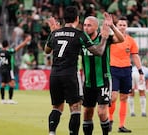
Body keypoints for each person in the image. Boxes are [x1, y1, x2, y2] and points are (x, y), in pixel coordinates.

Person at [44, 6, 110, 135]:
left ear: (64, 18)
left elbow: (46, 50)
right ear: (77, 19)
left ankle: (52, 133)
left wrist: (52, 32)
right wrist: (105, 38)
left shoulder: (55, 33)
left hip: (54, 75)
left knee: (56, 107)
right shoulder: (79, 34)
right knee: (75, 108)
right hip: (70, 75)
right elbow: (99, 52)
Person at [82, 16, 124, 135]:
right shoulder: (82, 40)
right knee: (87, 112)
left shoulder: (104, 37)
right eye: (84, 25)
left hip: (103, 80)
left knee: (101, 112)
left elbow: (121, 39)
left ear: (96, 26)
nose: (86, 28)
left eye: (89, 25)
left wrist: (112, 26)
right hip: (88, 82)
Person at [108, 16, 144, 133]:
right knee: (113, 97)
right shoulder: (111, 39)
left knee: (124, 98)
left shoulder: (131, 40)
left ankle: (121, 125)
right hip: (113, 69)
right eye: (120, 25)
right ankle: (110, 119)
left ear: (126, 27)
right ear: (116, 26)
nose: (122, 27)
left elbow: (135, 55)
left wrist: (140, 71)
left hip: (126, 70)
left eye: (124, 25)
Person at [0, 32, 31, 104]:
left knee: (3, 84)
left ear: (2, 45)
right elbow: (18, 48)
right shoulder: (8, 51)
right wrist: (25, 41)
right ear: (8, 45)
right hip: (8, 69)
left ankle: (2, 99)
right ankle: (10, 99)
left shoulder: (0, 51)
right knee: (12, 84)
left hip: (2, 69)